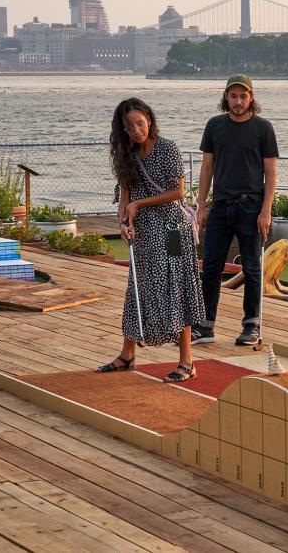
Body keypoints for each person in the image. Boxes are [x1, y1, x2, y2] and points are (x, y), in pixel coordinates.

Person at [99, 97, 204, 382]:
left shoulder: (168, 148)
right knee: (138, 286)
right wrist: (123, 222)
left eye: (140, 123)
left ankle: (187, 362)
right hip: (144, 231)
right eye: (130, 127)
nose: (136, 131)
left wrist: (139, 205)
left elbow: (178, 192)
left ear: (149, 119)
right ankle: (127, 354)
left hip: (173, 230)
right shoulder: (128, 155)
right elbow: (125, 195)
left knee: (176, 286)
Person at [195, 74, 278, 346]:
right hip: (220, 206)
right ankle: (206, 325)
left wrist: (266, 210)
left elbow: (271, 172)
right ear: (226, 98)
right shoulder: (214, 126)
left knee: (252, 268)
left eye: (243, 96)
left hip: (251, 207)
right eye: (233, 96)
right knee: (210, 268)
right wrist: (201, 206)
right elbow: (207, 167)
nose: (238, 101)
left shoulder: (263, 128)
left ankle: (251, 326)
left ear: (251, 97)